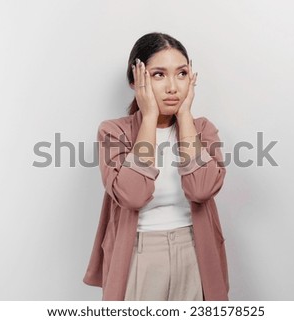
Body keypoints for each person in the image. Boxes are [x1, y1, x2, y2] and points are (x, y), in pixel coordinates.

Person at [83, 32, 229, 301]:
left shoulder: (203, 130)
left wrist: (185, 116)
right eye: (159, 75)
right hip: (137, 254)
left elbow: (200, 190)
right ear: (135, 80)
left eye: (181, 74)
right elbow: (133, 195)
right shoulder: (113, 132)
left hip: (194, 250)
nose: (173, 87)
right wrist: (149, 117)